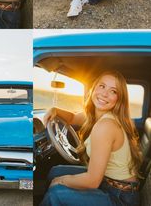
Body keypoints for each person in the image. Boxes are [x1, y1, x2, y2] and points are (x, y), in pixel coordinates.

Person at [41, 71, 142, 206]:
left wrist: (61, 181)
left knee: (56, 193)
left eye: (113, 91)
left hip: (120, 197)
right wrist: (54, 110)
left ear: (119, 99)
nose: (105, 94)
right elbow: (72, 118)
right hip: (107, 182)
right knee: (55, 171)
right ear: (93, 88)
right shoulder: (97, 115)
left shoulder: (106, 126)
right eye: (102, 86)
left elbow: (92, 181)